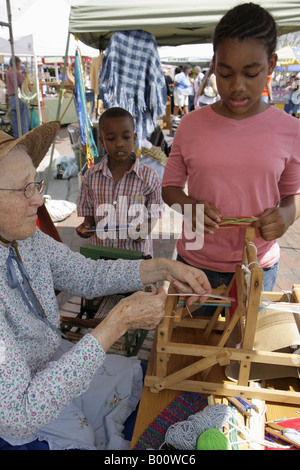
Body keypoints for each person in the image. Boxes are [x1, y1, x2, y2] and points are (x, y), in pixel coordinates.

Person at [0, 121, 211, 450]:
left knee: (133, 374)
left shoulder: (24, 239)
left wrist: (160, 267)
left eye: (36, 184)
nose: (39, 200)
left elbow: (85, 274)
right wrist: (118, 322)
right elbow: (20, 413)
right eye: (25, 189)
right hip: (23, 411)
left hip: (52, 360)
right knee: (85, 438)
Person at [162, 2, 300, 297]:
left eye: (251, 74)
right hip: (195, 266)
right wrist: (189, 207)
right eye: (225, 73)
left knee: (241, 341)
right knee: (189, 338)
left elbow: (293, 195)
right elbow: (170, 188)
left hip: (257, 266)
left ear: (271, 65)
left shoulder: (290, 130)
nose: (237, 86)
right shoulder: (190, 125)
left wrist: (287, 215)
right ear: (214, 65)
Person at [76, 107, 164, 257]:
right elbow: (89, 217)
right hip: (101, 254)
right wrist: (86, 228)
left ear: (134, 138)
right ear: (102, 141)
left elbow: (154, 212)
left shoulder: (149, 176)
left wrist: (144, 230)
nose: (119, 144)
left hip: (135, 255)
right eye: (111, 139)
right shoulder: (90, 176)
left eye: (126, 137)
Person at [5, 56, 30, 138]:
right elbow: (24, 87)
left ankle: (16, 140)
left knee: (15, 122)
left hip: (11, 98)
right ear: (17, 64)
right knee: (23, 122)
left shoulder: (7, 73)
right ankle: (24, 140)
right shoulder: (17, 73)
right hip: (19, 98)